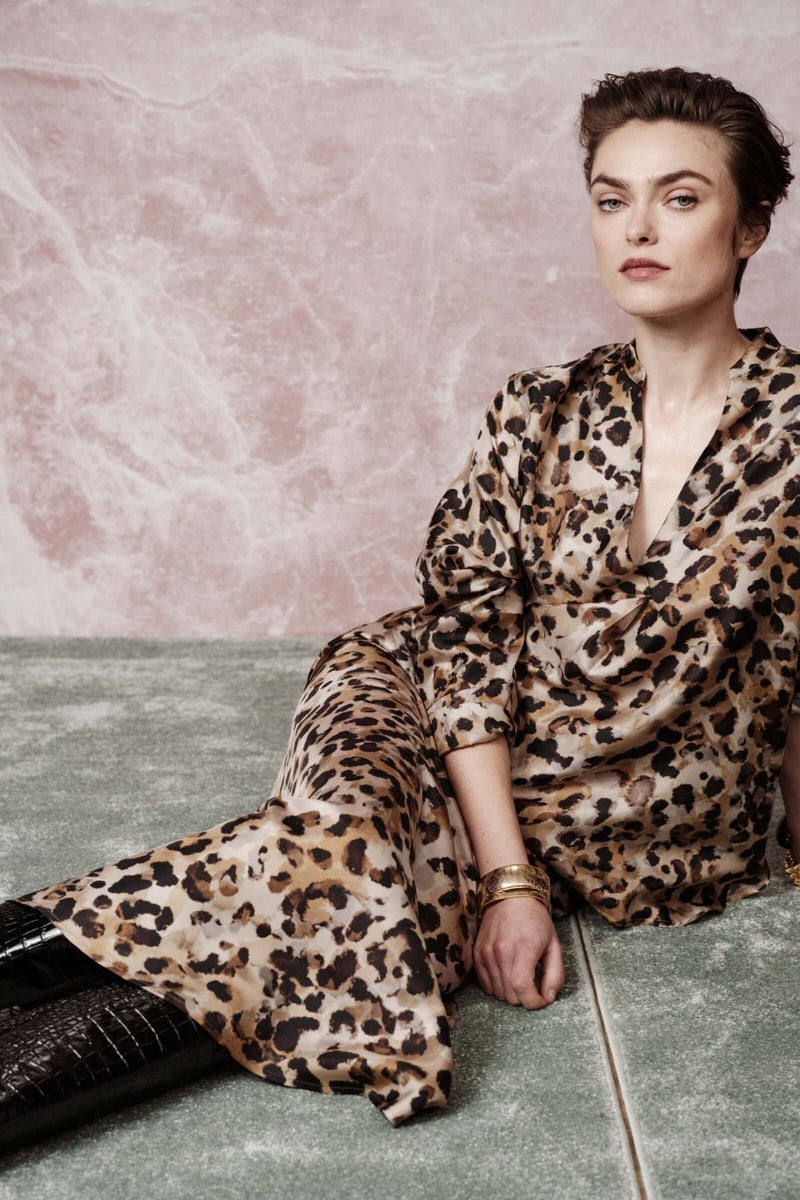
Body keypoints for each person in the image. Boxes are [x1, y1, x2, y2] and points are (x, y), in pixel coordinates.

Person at [2, 65, 799, 1150]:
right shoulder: (537, 409)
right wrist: (506, 881)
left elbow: (791, 669)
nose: (637, 229)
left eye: (681, 197)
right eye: (611, 198)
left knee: (348, 914)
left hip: (617, 825)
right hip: (419, 707)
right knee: (346, 857)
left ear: (749, 227)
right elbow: (466, 652)